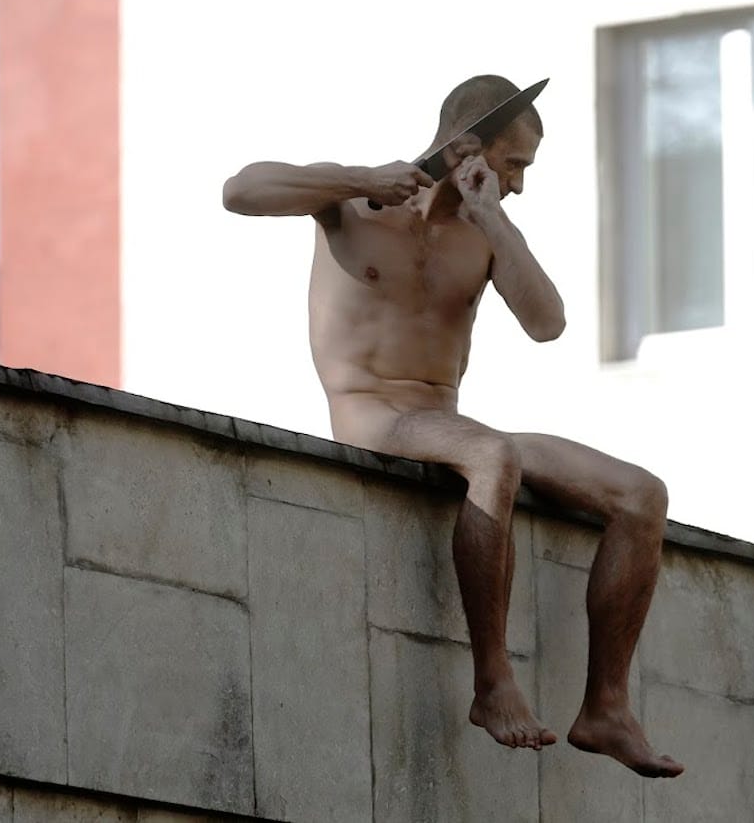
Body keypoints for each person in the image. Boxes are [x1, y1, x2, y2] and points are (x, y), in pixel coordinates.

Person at [222, 75, 683, 778]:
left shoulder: (483, 231)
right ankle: (493, 682)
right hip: (370, 411)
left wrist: (494, 218)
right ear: (470, 145)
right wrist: (358, 177)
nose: (519, 183)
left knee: (642, 494)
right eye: (515, 164)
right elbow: (240, 191)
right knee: (492, 455)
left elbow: (547, 323)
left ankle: (606, 709)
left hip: (448, 423)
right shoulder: (355, 203)